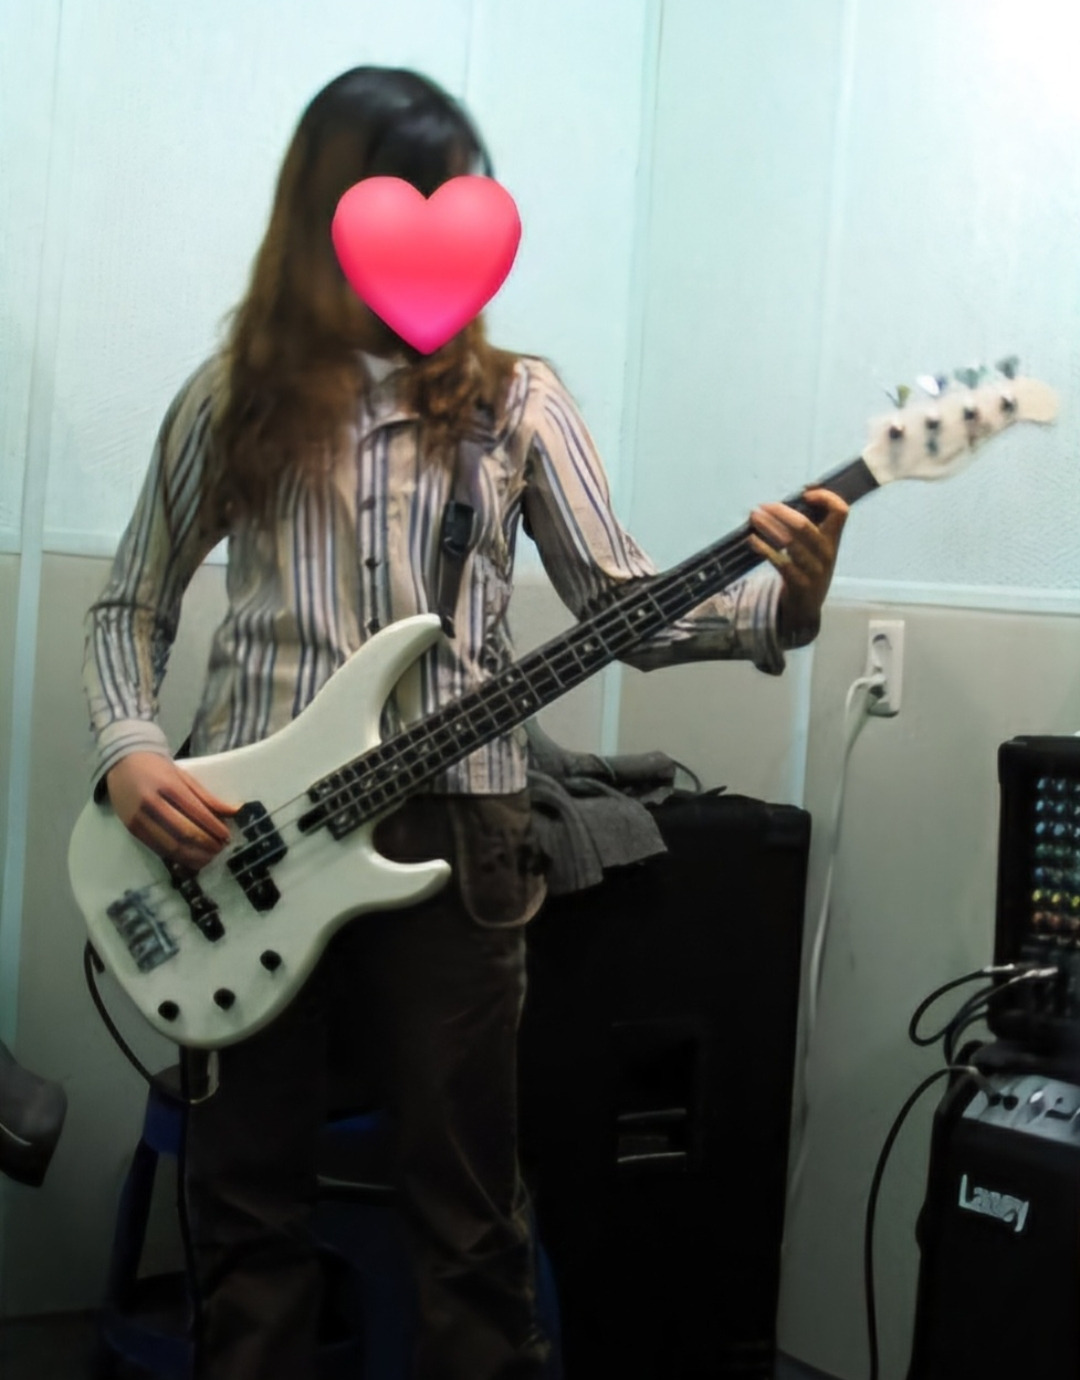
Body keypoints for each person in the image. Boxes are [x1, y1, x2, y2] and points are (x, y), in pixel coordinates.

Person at [82, 65, 848, 1380]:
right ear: (325, 214)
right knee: (245, 1200)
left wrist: (786, 605)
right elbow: (127, 605)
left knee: (467, 1207)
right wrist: (129, 751)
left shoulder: (519, 403)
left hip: (462, 836)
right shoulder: (230, 399)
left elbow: (626, 610)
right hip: (241, 837)